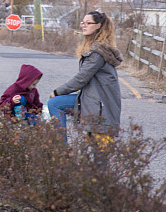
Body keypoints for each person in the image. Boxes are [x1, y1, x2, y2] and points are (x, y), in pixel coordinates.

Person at [47, 11, 122, 140]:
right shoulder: (97, 49)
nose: (84, 25)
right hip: (93, 99)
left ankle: (61, 149)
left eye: (88, 23)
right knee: (96, 152)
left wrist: (57, 91)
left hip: (99, 104)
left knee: (55, 103)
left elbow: (81, 78)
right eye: (83, 22)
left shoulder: (97, 53)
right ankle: (61, 149)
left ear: (98, 26)